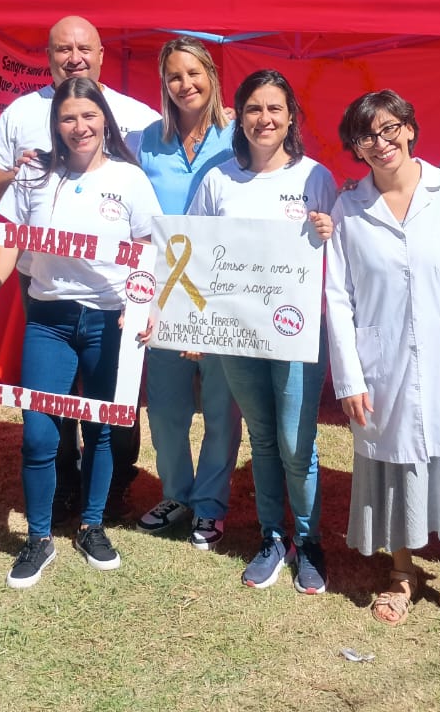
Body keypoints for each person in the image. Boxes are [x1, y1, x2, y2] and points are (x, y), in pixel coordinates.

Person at [0, 77, 160, 588]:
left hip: (107, 320)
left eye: (89, 117)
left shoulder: (130, 179)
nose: (80, 127)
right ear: (56, 125)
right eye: (69, 118)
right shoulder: (32, 177)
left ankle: (93, 526)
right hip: (48, 319)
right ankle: (39, 538)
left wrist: (145, 304)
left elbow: (148, 248)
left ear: (105, 122)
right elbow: (8, 244)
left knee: (99, 428)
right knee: (38, 433)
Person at [325, 90, 440, 639]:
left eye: (389, 129)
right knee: (395, 466)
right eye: (365, 137)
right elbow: (338, 298)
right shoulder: (349, 208)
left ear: (409, 127)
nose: (380, 144)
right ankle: (402, 574)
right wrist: (350, 377)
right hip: (382, 365)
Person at [187, 69, 336, 593]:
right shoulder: (217, 180)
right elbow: (194, 254)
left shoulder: (315, 178)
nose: (264, 119)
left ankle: (310, 540)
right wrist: (193, 325)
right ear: (238, 116)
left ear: (290, 116)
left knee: (298, 442)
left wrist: (330, 232)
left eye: (275, 109)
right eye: (253, 108)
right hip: (237, 336)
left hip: (297, 334)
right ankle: (275, 537)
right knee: (265, 437)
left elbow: (341, 263)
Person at [129, 37, 242, 551]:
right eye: (174, 76)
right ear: (164, 84)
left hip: (223, 291)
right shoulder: (145, 141)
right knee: (168, 407)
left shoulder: (241, 133)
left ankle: (211, 506)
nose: (185, 84)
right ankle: (176, 493)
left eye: (194, 73)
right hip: (165, 291)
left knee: (221, 405)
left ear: (212, 75)